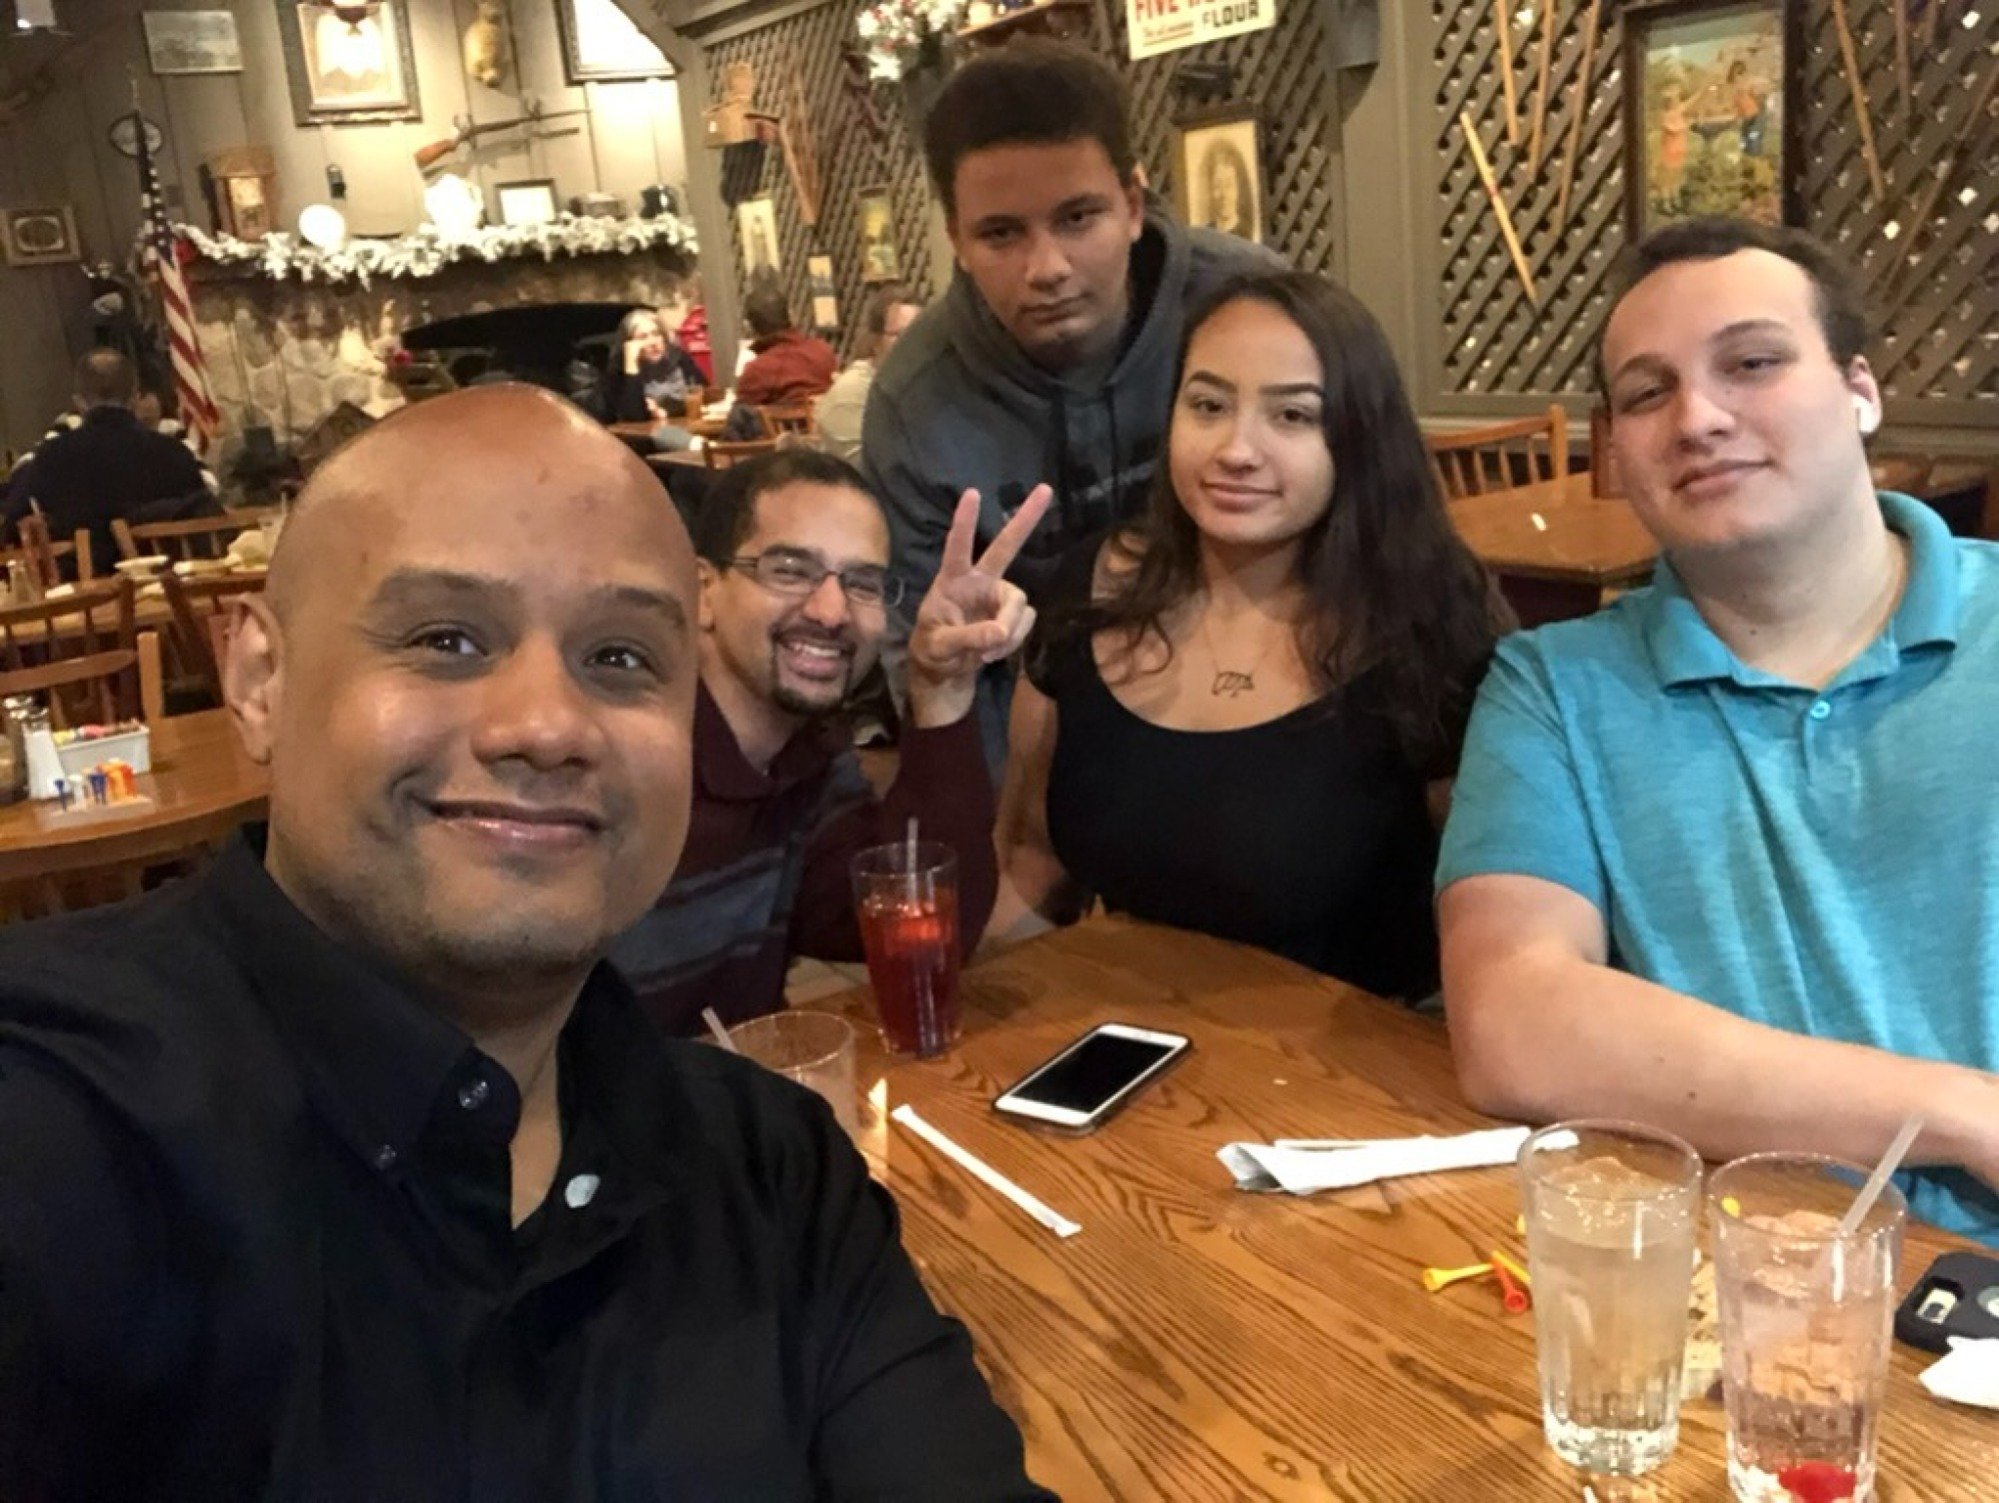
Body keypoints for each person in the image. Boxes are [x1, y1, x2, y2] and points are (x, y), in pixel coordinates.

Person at [0, 385, 1051, 1496]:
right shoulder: (64, 1131)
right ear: (260, 678)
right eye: (446, 639)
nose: (546, 727)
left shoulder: (774, 1171)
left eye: (617, 659)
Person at [1436, 218, 1999, 1245]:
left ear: (1860, 391)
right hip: (1730, 1294)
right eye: (1647, 392)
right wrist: (1959, 1110)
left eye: (1751, 363)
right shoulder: (1554, 689)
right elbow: (1511, 1021)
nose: (1696, 417)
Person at [992, 271, 1501, 1000]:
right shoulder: (1090, 587)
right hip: (1135, 1055)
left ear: (1355, 437)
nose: (1235, 448)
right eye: (1207, 404)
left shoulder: (1426, 625)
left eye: (1291, 416)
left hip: (1351, 1078)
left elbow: (1484, 933)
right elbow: (1031, 863)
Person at [862, 39, 1281, 773]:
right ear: (955, 239)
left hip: (1266, 704)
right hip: (1044, 743)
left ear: (1133, 203)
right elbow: (933, 665)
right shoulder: (912, 405)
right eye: (1000, 233)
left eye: (1077, 217)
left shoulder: (1253, 308)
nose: (1046, 268)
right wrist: (1011, 839)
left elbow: (1366, 537)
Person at [610, 448, 1047, 1033]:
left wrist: (940, 689)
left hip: (731, 1102)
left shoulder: (810, 757)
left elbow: (926, 931)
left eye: (863, 583)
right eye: (790, 570)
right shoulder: (621, 762)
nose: (832, 610)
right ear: (702, 592)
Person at [3, 349, 209, 574]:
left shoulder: (50, 457)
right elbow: (205, 520)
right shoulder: (174, 453)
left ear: (79, 403)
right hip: (171, 587)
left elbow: (12, 530)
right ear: (134, 398)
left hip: (85, 597)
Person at [815, 283, 921, 463]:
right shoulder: (850, 395)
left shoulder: (922, 384)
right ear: (875, 341)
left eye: (919, 333)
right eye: (902, 335)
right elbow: (868, 471)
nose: (914, 343)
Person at [735, 272, 837, 409]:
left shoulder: (757, 370)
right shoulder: (823, 350)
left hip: (783, 430)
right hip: (825, 428)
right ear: (791, 314)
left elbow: (741, 415)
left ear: (748, 325)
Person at [603, 305, 705, 427]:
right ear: (629, 344)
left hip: (687, 429)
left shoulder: (679, 359)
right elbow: (632, 417)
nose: (653, 342)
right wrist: (631, 365)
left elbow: (703, 396)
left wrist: (664, 411)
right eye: (643, 337)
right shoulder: (619, 372)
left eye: (656, 334)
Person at [1200, 139, 1254, 240]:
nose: (1223, 195)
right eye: (1217, 186)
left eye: (1229, 185)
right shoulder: (1205, 235)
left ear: (1238, 188)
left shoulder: (1246, 235)